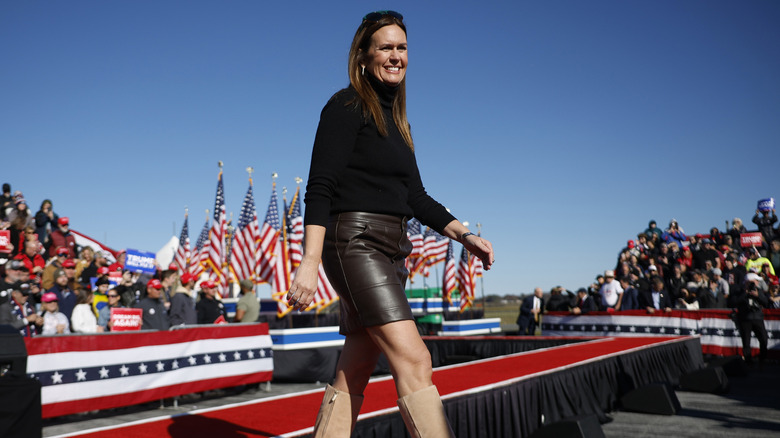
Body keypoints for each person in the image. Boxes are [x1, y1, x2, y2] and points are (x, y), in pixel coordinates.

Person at [285, 11, 494, 438]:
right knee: (415, 360)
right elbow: (320, 186)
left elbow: (415, 196)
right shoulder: (345, 106)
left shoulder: (398, 122)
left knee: (357, 364)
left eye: (402, 48)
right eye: (386, 47)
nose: (396, 56)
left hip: (392, 249)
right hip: (355, 243)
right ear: (363, 56)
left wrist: (465, 235)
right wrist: (309, 261)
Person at [728, 277, 769, 365]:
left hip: (757, 318)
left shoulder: (758, 291)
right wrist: (745, 293)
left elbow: (766, 303)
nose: (752, 285)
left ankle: (763, 358)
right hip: (745, 319)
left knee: (763, 338)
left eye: (754, 282)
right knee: (746, 340)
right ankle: (748, 360)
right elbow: (734, 302)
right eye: (750, 283)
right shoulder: (740, 291)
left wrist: (757, 296)